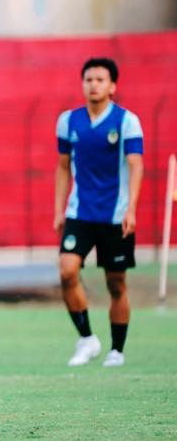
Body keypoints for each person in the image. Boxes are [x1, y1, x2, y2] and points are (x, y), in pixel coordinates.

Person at [54, 57, 144, 367]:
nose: (93, 84)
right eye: (88, 79)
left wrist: (131, 209)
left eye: (100, 80)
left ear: (112, 86)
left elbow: (136, 166)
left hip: (115, 215)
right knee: (67, 271)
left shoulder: (126, 121)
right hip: (80, 212)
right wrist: (59, 209)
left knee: (115, 283)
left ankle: (116, 349)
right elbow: (63, 166)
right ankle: (87, 339)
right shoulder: (69, 121)